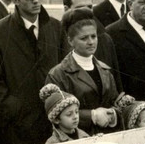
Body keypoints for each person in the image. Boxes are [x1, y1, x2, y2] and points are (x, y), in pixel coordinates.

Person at [0, 0, 63, 144]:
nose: (36, 0)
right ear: (15, 0)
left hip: (54, 125)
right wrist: (17, 111)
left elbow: (63, 71)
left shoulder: (56, 28)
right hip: (17, 130)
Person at [47, 8, 123, 136]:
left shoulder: (105, 70)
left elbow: (114, 102)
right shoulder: (58, 74)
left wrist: (113, 114)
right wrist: (92, 116)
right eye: (84, 38)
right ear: (70, 41)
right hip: (77, 140)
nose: (91, 42)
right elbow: (55, 115)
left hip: (108, 138)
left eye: (93, 36)